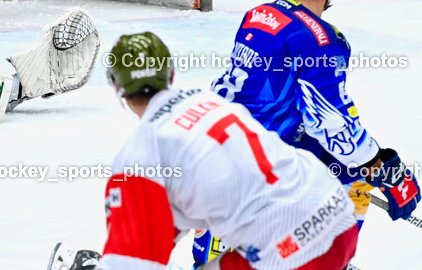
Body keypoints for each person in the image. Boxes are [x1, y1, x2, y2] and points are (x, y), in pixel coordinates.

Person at [206, 0, 419, 260]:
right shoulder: (322, 40)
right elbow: (332, 125)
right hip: (262, 166)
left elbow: (275, 100)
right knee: (354, 172)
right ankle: (324, 260)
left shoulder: (259, 15)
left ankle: (216, 246)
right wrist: (383, 169)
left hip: (216, 145)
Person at [79, 32, 360, 270]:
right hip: (338, 217)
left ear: (117, 87)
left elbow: (132, 264)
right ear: (171, 74)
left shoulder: (138, 157)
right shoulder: (211, 101)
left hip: (292, 254)